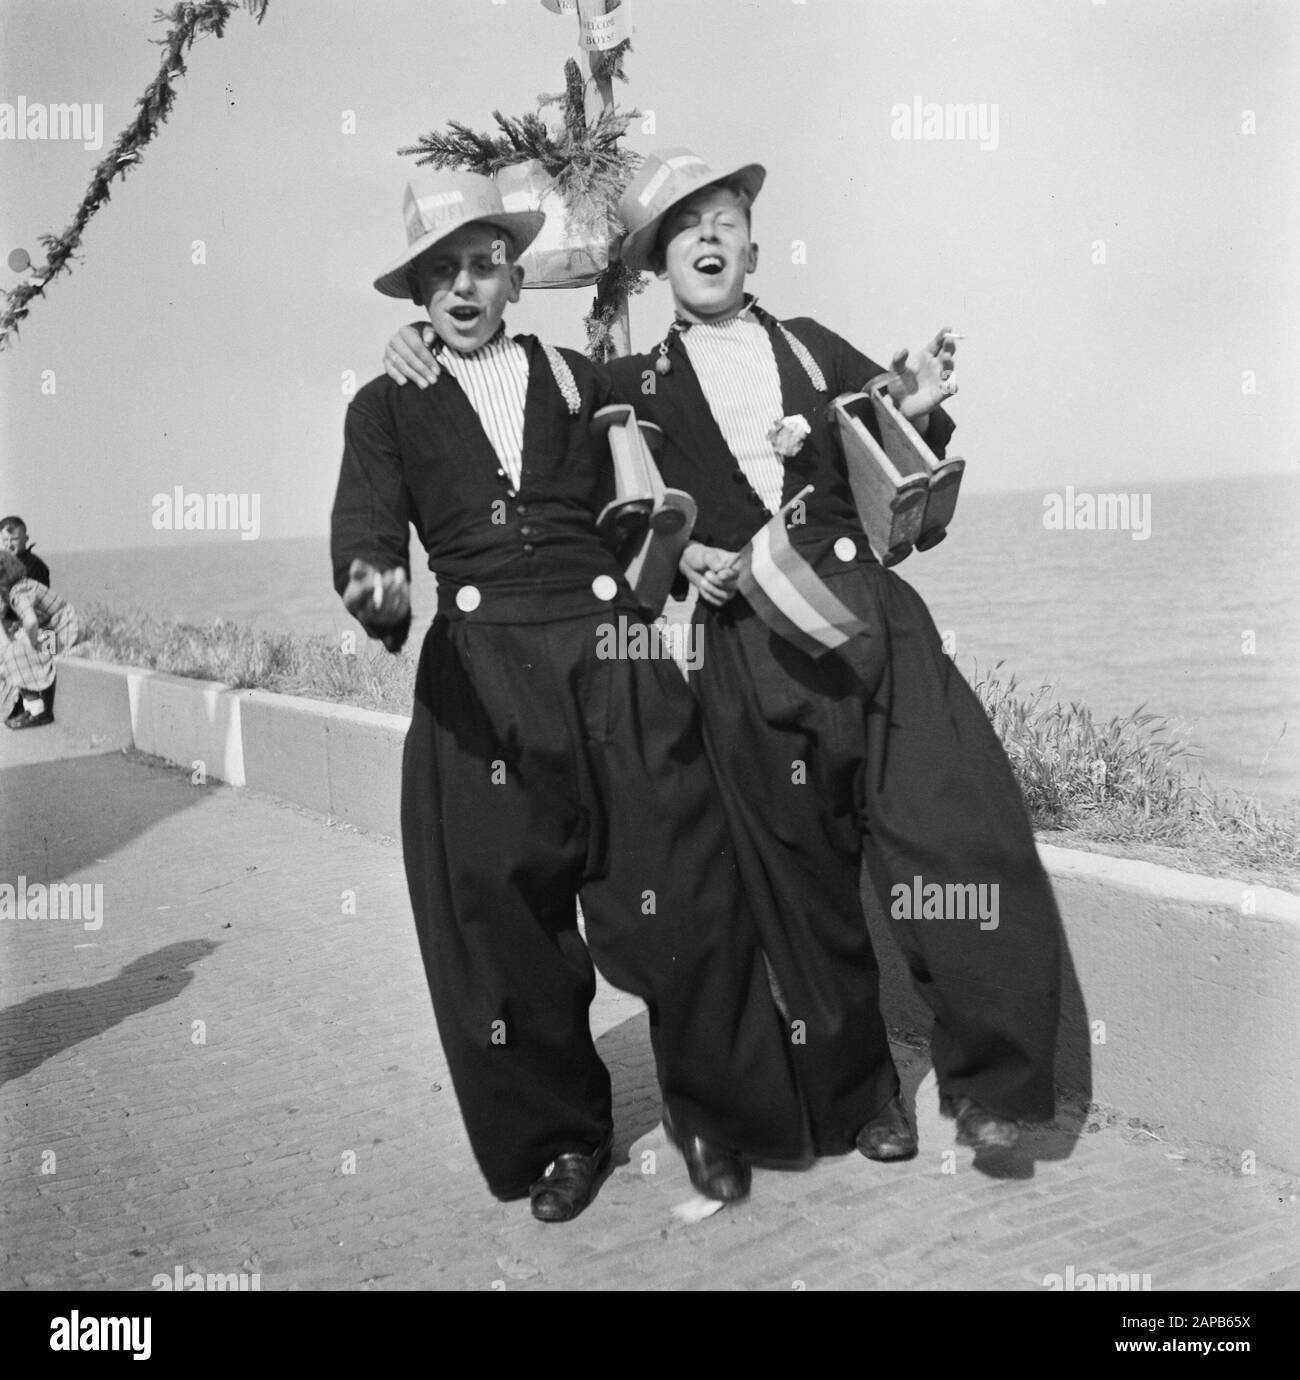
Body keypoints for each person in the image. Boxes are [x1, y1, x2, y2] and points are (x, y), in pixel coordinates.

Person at [384, 147, 1066, 1166]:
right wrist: (420, 348)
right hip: (747, 654)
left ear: (751, 239)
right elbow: (576, 510)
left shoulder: (811, 344)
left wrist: (915, 396)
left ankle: (1000, 1087)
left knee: (963, 842)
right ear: (659, 262)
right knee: (800, 895)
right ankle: (859, 1103)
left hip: (873, 624)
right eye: (683, 227)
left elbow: (887, 423)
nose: (707, 237)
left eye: (723, 219)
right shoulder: (622, 383)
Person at [333, 170, 807, 1224]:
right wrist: (373, 588)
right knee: (497, 918)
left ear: (513, 278)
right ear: (418, 287)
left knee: (681, 883)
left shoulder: (583, 373)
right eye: (442, 270)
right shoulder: (384, 403)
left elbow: (655, 481)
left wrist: (684, 558)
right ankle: (559, 1141)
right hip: (478, 676)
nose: (464, 286)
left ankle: (721, 1119)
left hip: (613, 657)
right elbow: (368, 531)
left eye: (484, 264)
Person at [0, 550, 79, 729]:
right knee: (15, 647)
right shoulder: (23, 585)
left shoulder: (17, 593)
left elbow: (30, 621)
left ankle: (38, 711)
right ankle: (32, 707)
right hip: (60, 628)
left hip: (61, 634)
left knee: (16, 653)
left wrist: (34, 643)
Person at [1, 516, 54, 722]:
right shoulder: (10, 566)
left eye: (13, 539)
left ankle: (41, 711)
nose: (9, 545)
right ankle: (27, 707)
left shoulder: (33, 566)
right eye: (5, 541)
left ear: (26, 538)